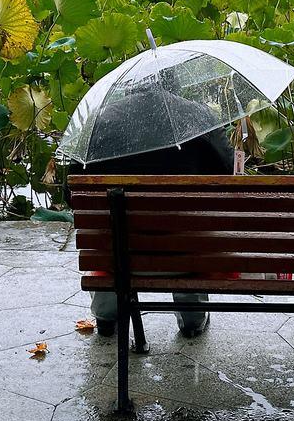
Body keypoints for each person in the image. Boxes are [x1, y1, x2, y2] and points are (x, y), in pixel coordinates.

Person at [78, 89, 229, 339]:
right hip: (185, 252)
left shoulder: (101, 120)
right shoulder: (199, 117)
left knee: (111, 231)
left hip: (118, 254)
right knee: (188, 231)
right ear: (175, 84)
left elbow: (71, 191)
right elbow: (226, 174)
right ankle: (192, 318)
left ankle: (106, 315)